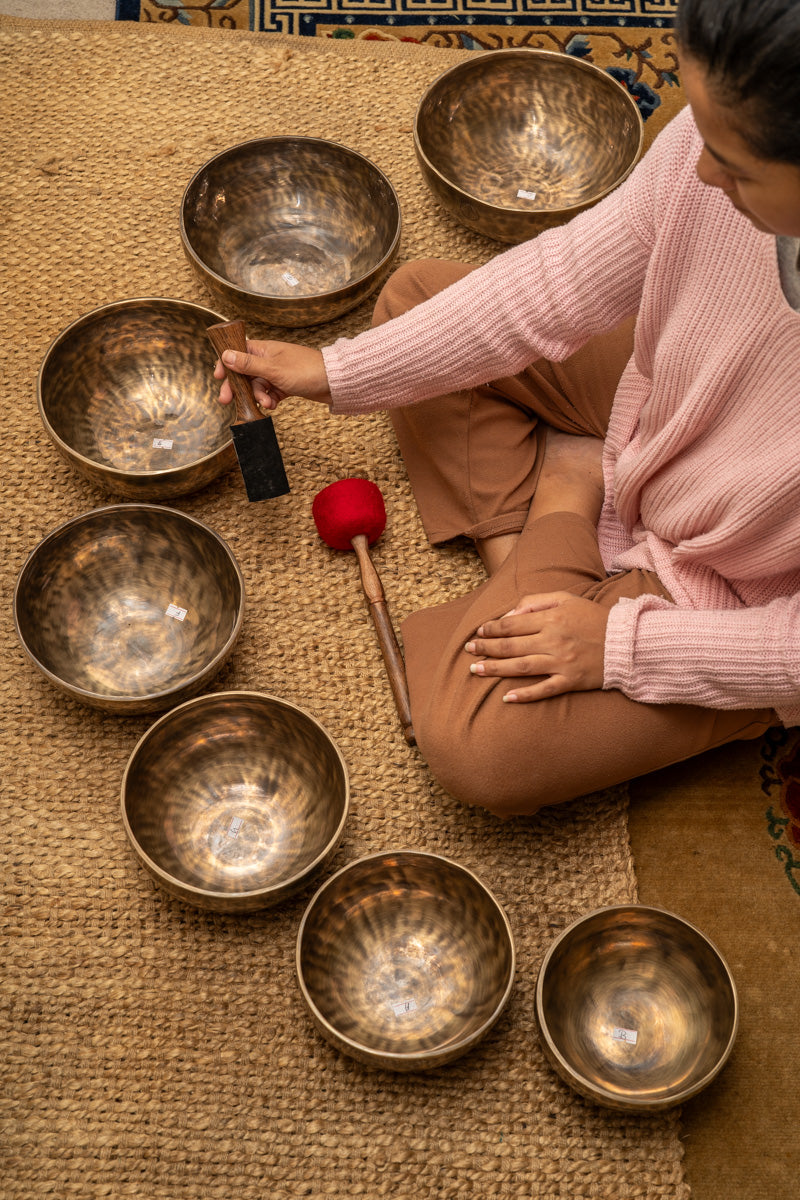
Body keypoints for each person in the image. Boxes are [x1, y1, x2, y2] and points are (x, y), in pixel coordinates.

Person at [215, 0, 800, 817]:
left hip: (743, 587)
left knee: (476, 745)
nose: (700, 172)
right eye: (698, 134)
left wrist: (623, 647)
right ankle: (549, 553)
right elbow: (559, 283)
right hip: (678, 406)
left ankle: (558, 511)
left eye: (734, 167)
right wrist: (334, 372)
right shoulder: (709, 151)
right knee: (413, 299)